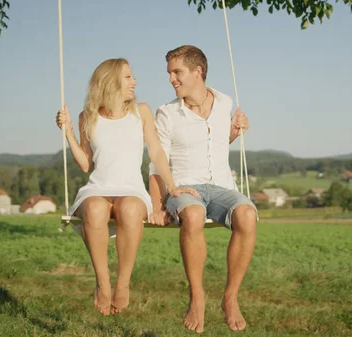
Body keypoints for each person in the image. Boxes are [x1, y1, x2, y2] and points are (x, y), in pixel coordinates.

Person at [55, 58, 198, 316]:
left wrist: (172, 184)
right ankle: (103, 282)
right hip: (97, 188)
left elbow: (155, 150)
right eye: (129, 77)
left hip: (131, 188)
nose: (135, 82)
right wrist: (68, 133)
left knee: (131, 211)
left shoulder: (140, 111)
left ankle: (122, 282)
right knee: (96, 210)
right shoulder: (87, 116)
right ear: (111, 82)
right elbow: (86, 164)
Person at [148, 45, 257, 333]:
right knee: (194, 214)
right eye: (170, 73)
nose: (171, 79)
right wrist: (158, 204)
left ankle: (230, 297)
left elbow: (218, 143)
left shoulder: (224, 102)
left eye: (177, 72)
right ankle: (197, 296)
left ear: (198, 72)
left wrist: (234, 132)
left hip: (221, 186)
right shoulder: (167, 113)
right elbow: (157, 162)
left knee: (247, 214)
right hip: (183, 188)